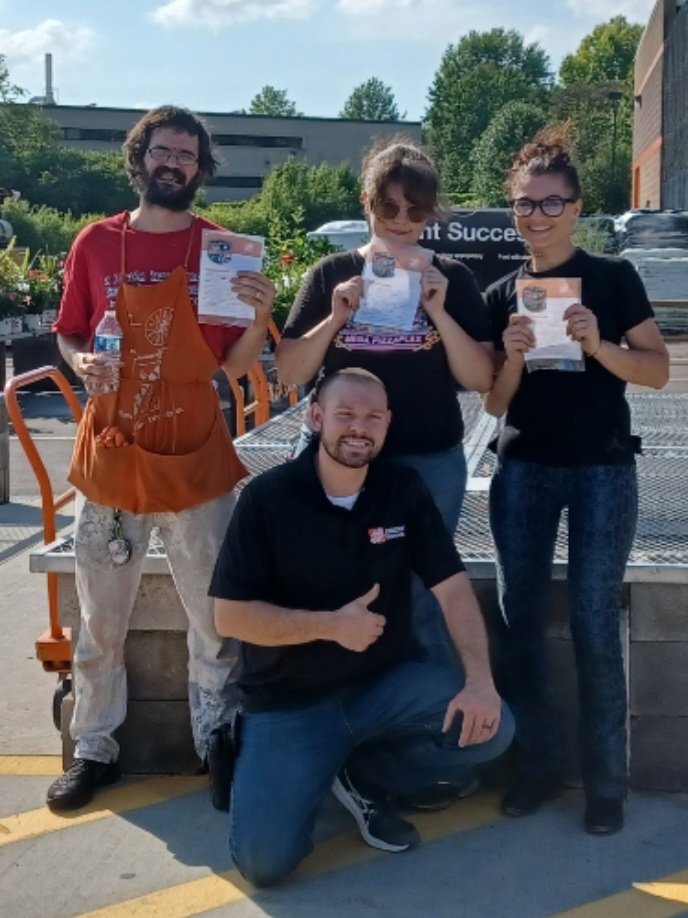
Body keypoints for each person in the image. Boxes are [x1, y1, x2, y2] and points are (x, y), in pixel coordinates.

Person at [46, 105, 275, 811]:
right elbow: (69, 333)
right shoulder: (94, 243)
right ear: (139, 158)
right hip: (111, 452)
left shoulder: (221, 251)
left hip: (194, 452)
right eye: (162, 150)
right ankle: (94, 747)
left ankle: (219, 742)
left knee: (214, 614)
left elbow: (233, 367)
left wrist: (261, 314)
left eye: (187, 154)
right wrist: (81, 360)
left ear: (200, 170)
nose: (173, 163)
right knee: (99, 616)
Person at [209, 367, 513, 888]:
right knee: (263, 865)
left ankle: (363, 776)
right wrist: (330, 626)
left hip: (382, 687)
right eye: (345, 414)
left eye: (372, 416)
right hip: (289, 702)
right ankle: (291, 768)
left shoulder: (402, 488)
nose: (359, 427)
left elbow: (454, 588)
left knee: (494, 728)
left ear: (388, 424)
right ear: (316, 416)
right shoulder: (268, 498)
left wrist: (480, 682)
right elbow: (230, 616)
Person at [483, 127, 669, 835]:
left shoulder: (614, 277)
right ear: (513, 211)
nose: (538, 214)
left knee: (594, 624)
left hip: (601, 469)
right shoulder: (503, 290)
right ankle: (533, 768)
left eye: (551, 202)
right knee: (521, 623)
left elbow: (657, 370)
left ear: (576, 206)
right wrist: (511, 356)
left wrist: (601, 345)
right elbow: (496, 404)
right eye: (525, 204)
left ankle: (605, 784)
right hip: (524, 468)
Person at [275, 140, 495, 665]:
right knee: (329, 579)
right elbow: (289, 371)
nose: (402, 220)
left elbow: (482, 377)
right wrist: (335, 319)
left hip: (427, 457)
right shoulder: (332, 273)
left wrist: (439, 312)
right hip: (337, 460)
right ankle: (335, 703)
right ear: (366, 203)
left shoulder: (453, 279)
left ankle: (419, 720)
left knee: (425, 591)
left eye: (416, 209)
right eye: (388, 206)